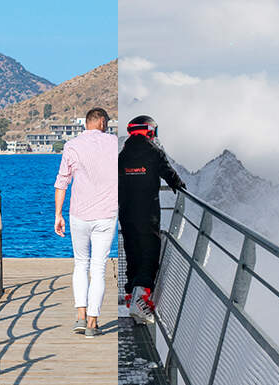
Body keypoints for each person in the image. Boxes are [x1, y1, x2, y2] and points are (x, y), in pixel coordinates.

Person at [54, 107, 120, 338]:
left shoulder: (72, 145)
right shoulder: (115, 143)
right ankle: (93, 323)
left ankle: (80, 317)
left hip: (79, 214)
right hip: (106, 214)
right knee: (98, 268)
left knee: (81, 264)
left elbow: (62, 182)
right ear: (102, 122)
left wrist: (58, 215)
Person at [116, 115, 183, 324]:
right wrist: (179, 185)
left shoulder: (123, 155)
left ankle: (130, 295)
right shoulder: (154, 153)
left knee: (132, 251)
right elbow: (169, 175)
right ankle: (141, 300)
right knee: (149, 254)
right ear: (151, 131)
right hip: (148, 213)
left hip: (126, 213)